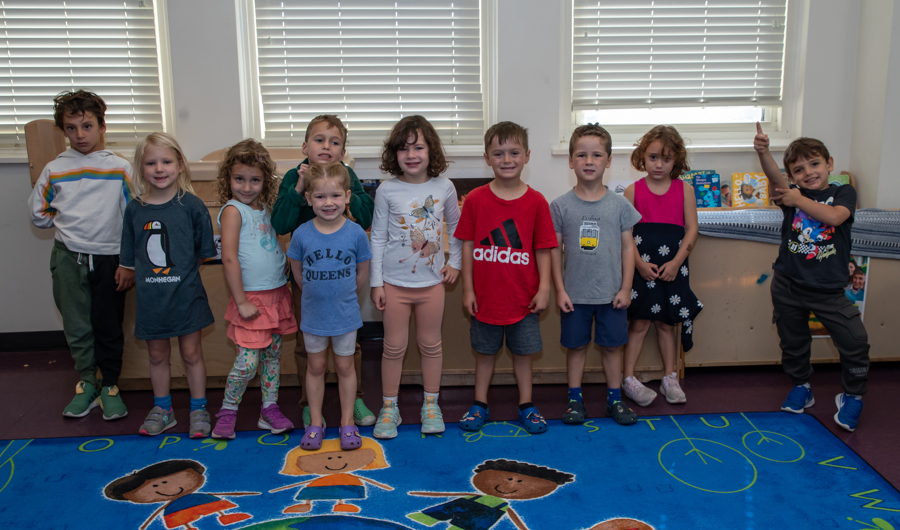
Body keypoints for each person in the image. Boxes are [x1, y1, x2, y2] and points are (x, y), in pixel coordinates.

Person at [754, 123, 870, 431]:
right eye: (799, 169)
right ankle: (801, 386)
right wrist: (764, 153)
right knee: (793, 341)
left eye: (815, 163)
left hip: (829, 289)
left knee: (855, 340)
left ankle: (853, 395)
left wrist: (796, 199)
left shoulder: (843, 192)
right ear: (792, 177)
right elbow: (773, 178)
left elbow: (834, 217)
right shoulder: (792, 192)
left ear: (829, 164)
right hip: (788, 285)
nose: (809, 172)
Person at [29, 89, 134, 420]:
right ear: (63, 131)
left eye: (86, 126)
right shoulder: (55, 169)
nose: (79, 135)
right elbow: (37, 214)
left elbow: (132, 216)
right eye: (71, 128)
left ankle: (111, 386)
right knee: (77, 326)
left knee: (108, 325)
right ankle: (87, 383)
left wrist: (127, 262)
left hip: (110, 260)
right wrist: (70, 225)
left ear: (102, 126)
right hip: (69, 258)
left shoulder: (119, 167)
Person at [271, 115, 376, 429]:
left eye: (334, 142)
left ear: (343, 151)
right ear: (305, 146)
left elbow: (366, 216)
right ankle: (308, 404)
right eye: (319, 140)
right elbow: (280, 223)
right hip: (308, 281)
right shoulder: (293, 175)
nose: (326, 147)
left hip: (343, 280)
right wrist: (300, 186)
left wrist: (347, 195)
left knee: (349, 345)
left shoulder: (348, 176)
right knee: (307, 346)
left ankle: (354, 398)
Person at [455, 122, 558, 434]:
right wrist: (468, 289)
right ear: (487, 158)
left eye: (514, 152)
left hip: (523, 299)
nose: (507, 159)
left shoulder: (537, 201)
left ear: (526, 156)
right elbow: (468, 245)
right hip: (485, 298)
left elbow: (543, 249)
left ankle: (526, 404)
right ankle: (479, 404)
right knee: (484, 354)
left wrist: (544, 288)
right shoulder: (475, 199)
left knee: (524, 355)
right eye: (498, 153)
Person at [369, 116, 462, 438]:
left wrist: (457, 263)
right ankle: (389, 407)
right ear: (394, 153)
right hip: (394, 284)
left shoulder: (444, 187)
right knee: (393, 347)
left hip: (432, 283)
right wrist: (376, 282)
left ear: (430, 150)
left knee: (431, 345)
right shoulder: (387, 189)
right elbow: (378, 237)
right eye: (404, 148)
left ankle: (431, 404)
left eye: (418, 147)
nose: (411, 154)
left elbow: (458, 229)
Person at [120, 132, 217, 437]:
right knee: (157, 355)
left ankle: (199, 408)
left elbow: (203, 252)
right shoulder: (135, 209)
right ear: (141, 168)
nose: (159, 168)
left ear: (179, 166)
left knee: (191, 354)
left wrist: (178, 275)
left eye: (166, 161)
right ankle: (163, 409)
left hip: (187, 297)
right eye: (151, 163)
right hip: (152, 300)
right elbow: (129, 251)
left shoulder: (192, 206)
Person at [550, 124, 642, 426]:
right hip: (574, 295)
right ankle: (574, 400)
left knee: (612, 347)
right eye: (581, 155)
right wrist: (560, 290)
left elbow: (629, 248)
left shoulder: (619, 205)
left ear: (609, 160)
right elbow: (554, 251)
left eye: (597, 155)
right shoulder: (561, 206)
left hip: (612, 294)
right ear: (570, 160)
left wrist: (626, 287)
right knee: (575, 347)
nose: (589, 161)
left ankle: (614, 400)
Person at [211, 140, 298, 439]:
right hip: (251, 300)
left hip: (276, 294)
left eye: (255, 180)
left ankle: (268, 408)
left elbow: (272, 242)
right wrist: (241, 301)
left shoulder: (266, 208)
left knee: (273, 357)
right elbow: (229, 257)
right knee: (247, 363)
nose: (247, 187)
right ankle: (227, 409)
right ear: (228, 180)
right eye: (239, 179)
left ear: (265, 181)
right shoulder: (233, 211)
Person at [286, 162, 372, 451]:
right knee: (316, 367)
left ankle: (347, 422)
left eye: (335, 196)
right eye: (320, 197)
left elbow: (362, 273)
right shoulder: (301, 234)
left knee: (346, 367)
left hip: (345, 315)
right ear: (309, 199)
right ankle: (314, 423)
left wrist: (344, 295)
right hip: (313, 316)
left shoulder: (356, 233)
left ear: (347, 196)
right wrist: (316, 294)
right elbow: (297, 273)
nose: (328, 203)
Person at [622, 125, 702, 407]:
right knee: (640, 322)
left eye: (666, 159)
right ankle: (628, 378)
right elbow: (626, 234)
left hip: (673, 267)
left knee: (668, 324)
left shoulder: (686, 190)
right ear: (643, 157)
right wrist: (639, 264)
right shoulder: (633, 191)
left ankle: (670, 377)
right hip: (642, 268)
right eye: (653, 157)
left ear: (676, 161)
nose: (659, 164)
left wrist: (676, 262)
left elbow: (691, 230)